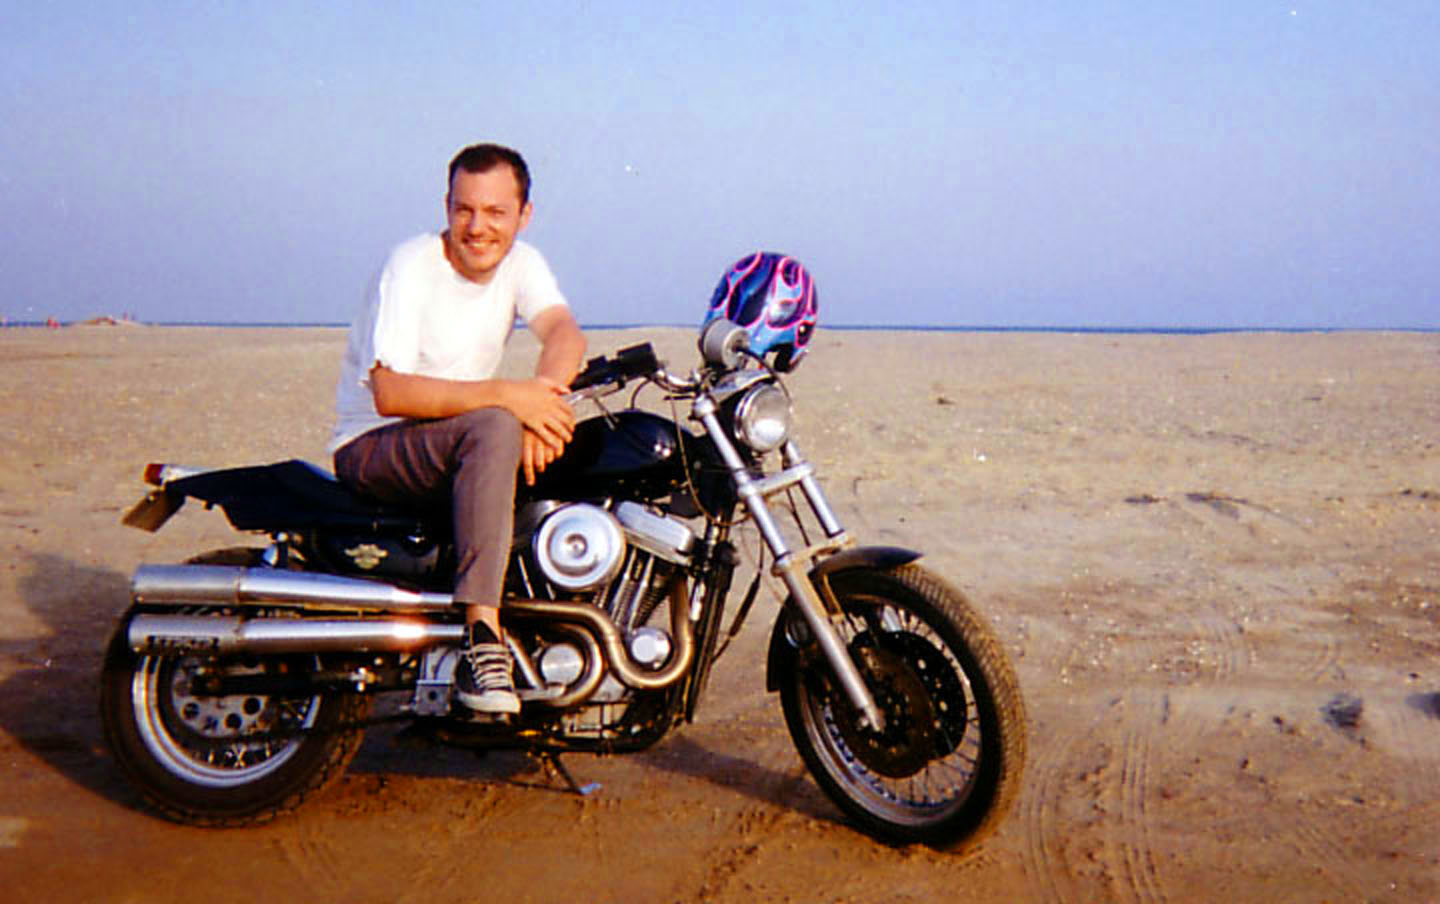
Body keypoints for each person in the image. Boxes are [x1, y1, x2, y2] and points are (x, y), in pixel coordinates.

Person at [328, 143, 586, 714]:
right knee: (496, 425)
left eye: (495, 212)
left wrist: (544, 399)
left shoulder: (522, 263)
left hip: (452, 437)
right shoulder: (411, 264)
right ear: (446, 207)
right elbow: (391, 393)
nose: (477, 227)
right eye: (464, 209)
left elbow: (564, 332)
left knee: (556, 442)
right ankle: (482, 639)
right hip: (374, 443)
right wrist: (510, 398)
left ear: (524, 215)